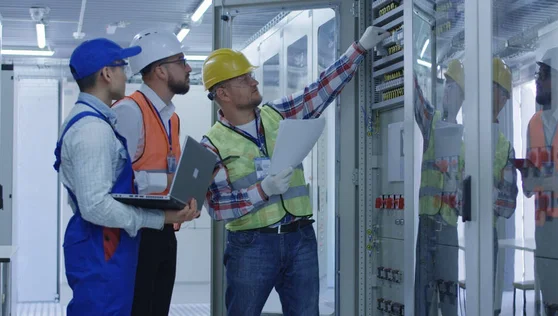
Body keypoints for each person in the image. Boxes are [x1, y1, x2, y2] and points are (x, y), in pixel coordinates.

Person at [200, 26, 390, 315]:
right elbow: (216, 207)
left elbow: (321, 89)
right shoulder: (212, 144)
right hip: (252, 246)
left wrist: (359, 49)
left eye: (251, 75)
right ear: (222, 93)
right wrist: (263, 190)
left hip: (300, 237)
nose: (254, 82)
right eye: (245, 78)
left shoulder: (279, 114)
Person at [53, 38, 199, 315]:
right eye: (121, 66)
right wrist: (159, 218)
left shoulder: (97, 121)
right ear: (107, 74)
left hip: (110, 241)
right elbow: (96, 206)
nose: (126, 73)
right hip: (102, 243)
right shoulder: (92, 130)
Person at [413, 58, 517, 315]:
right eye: (446, 85)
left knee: (474, 302)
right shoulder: (459, 134)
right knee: (424, 300)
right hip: (442, 225)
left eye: (491, 88)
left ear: (503, 98)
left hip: (467, 229)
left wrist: (483, 193)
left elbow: (507, 205)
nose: (448, 91)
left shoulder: (496, 146)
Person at [111, 29, 193, 316]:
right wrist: (171, 183)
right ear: (160, 70)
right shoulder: (128, 112)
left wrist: (187, 193)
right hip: (135, 235)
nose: (189, 68)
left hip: (164, 230)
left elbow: (164, 168)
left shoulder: (172, 118)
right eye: (181, 61)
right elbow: (115, 184)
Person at [521, 47, 558, 315]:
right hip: (544, 233)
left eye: (544, 75)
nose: (537, 81)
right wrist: (526, 182)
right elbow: (529, 189)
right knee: (551, 305)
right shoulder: (532, 124)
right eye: (538, 75)